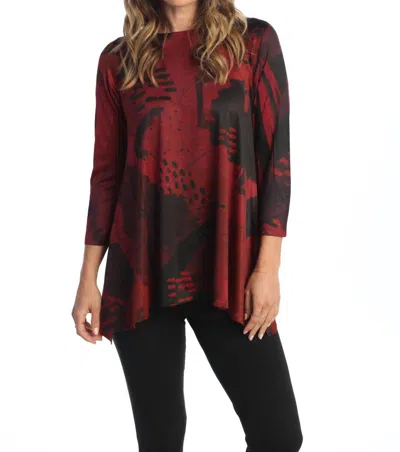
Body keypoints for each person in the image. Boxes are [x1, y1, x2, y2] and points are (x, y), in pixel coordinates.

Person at [72, 1, 303, 450]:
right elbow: (107, 175)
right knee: (160, 440)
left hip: (229, 267)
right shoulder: (119, 60)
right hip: (140, 272)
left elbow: (276, 160)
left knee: (278, 435)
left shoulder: (253, 42)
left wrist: (267, 269)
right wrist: (88, 279)